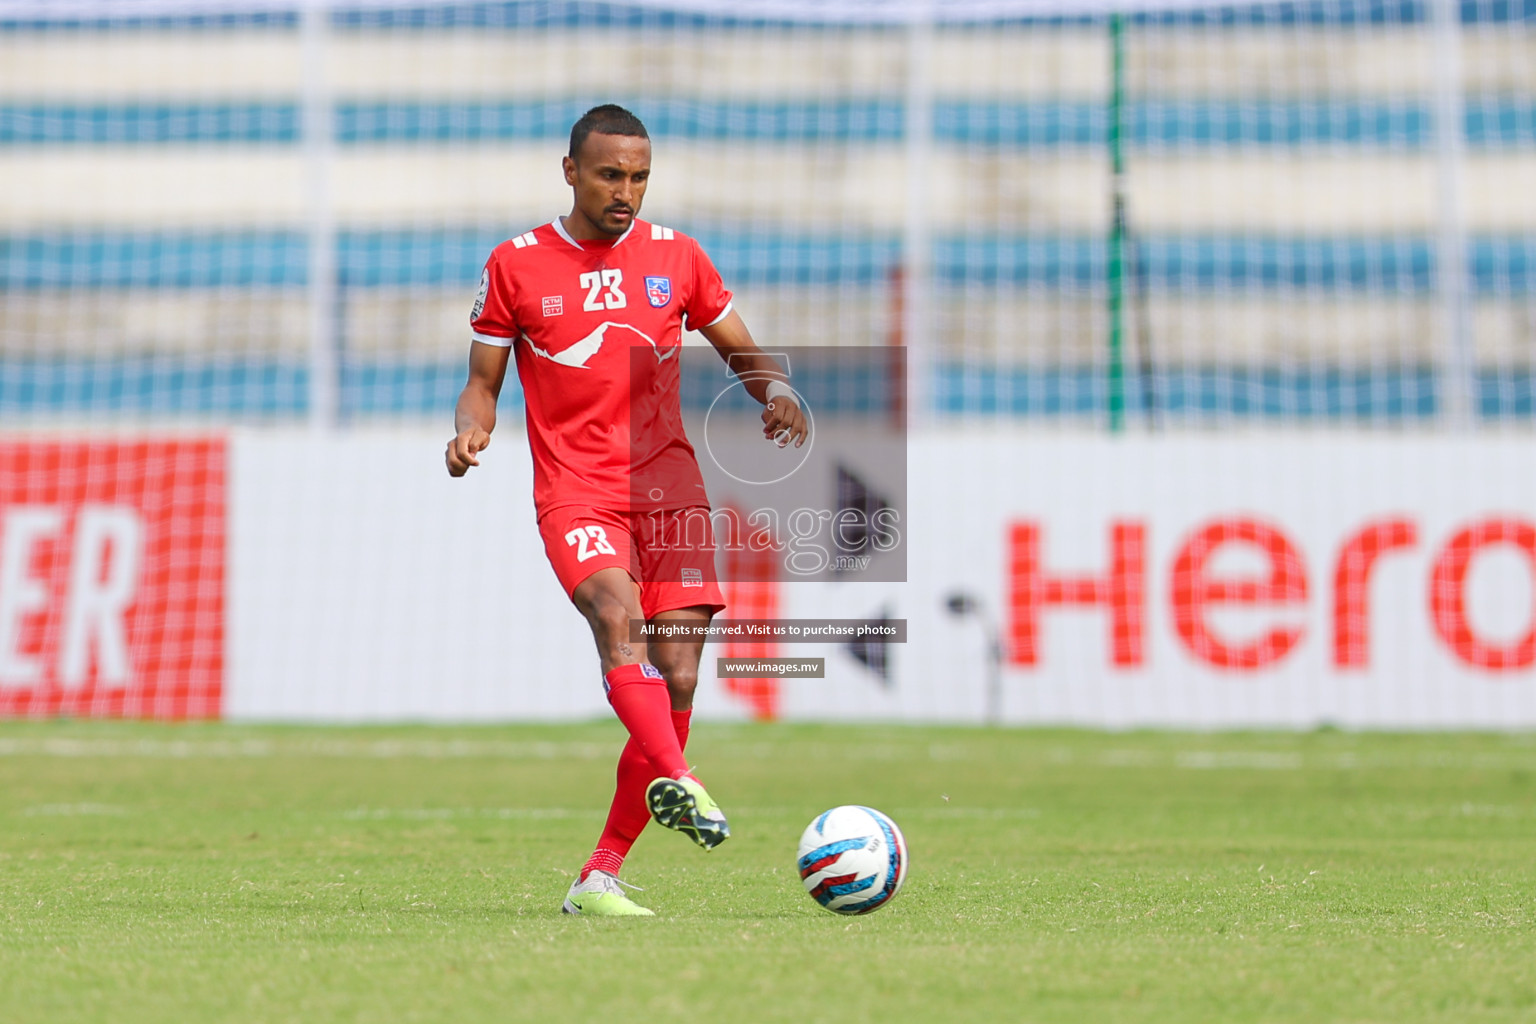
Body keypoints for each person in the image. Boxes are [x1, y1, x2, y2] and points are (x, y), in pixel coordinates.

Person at [445, 105, 808, 917]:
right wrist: (472, 432)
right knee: (618, 619)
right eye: (611, 174)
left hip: (669, 489)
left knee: (678, 671)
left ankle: (599, 874)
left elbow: (739, 346)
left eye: (640, 177)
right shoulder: (516, 264)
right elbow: (482, 380)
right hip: (576, 489)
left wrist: (773, 392)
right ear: (570, 170)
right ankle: (679, 778)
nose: (627, 192)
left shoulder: (676, 257)